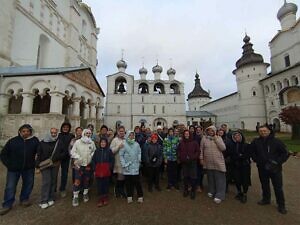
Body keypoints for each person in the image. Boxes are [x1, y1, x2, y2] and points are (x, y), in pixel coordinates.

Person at [0, 124, 39, 216]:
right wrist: (9, 164)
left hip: (28, 168)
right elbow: (3, 154)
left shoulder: (34, 141)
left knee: (28, 184)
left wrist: (36, 164)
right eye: (24, 131)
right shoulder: (13, 141)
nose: (26, 133)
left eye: (28, 131)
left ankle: (24, 199)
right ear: (20, 132)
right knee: (10, 187)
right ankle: (7, 204)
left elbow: (40, 152)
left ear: (30, 132)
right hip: (14, 169)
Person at [251, 125, 289, 214]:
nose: (263, 132)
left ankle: (281, 205)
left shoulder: (277, 141)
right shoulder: (256, 141)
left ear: (269, 131)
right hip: (262, 167)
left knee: (278, 187)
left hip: (275, 168)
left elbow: (285, 153)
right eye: (261, 131)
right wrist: (256, 159)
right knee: (264, 184)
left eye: (265, 131)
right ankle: (266, 199)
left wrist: (277, 162)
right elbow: (252, 152)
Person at [36, 128, 65, 209]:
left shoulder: (59, 142)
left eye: (55, 133)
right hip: (45, 165)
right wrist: (37, 166)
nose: (53, 134)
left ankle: (51, 197)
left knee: (53, 181)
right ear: (49, 133)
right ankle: (44, 200)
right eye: (52, 133)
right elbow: (39, 154)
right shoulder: (42, 142)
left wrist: (57, 158)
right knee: (46, 182)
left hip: (54, 164)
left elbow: (64, 152)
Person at [200, 125, 226, 204]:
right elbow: (201, 149)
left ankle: (219, 194)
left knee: (220, 179)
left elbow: (223, 148)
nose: (210, 132)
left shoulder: (218, 138)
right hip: (208, 161)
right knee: (210, 177)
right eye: (209, 130)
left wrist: (216, 139)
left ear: (214, 131)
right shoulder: (204, 139)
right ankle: (212, 190)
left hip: (218, 161)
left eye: (212, 131)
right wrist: (201, 159)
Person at [70, 129, 96, 207]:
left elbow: (94, 151)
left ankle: (85, 193)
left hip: (88, 165)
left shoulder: (92, 142)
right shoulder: (78, 142)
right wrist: (78, 157)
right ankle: (75, 196)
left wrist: (91, 156)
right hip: (79, 165)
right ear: (83, 133)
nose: (88, 134)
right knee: (77, 180)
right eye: (86, 133)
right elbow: (72, 152)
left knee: (86, 180)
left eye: (89, 133)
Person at [226, 131, 251, 203]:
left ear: (241, 136)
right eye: (235, 136)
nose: (237, 137)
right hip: (235, 165)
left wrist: (239, 156)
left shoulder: (246, 145)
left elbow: (247, 155)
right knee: (237, 179)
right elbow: (230, 154)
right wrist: (238, 156)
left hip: (244, 165)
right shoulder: (232, 145)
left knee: (245, 180)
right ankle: (239, 192)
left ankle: (245, 194)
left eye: (238, 136)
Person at [119, 131, 143, 203]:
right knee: (128, 182)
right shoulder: (123, 144)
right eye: (130, 135)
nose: (131, 136)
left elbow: (139, 152)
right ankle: (129, 196)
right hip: (127, 166)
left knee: (137, 182)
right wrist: (123, 164)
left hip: (135, 165)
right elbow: (121, 155)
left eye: (133, 135)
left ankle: (140, 196)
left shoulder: (136, 144)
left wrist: (139, 160)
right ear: (127, 136)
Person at [91, 137, 114, 207]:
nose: (103, 143)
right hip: (98, 170)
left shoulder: (109, 151)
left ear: (106, 143)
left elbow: (112, 160)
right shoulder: (97, 151)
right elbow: (93, 160)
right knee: (99, 185)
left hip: (106, 170)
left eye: (104, 142)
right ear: (100, 143)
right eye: (101, 142)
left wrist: (109, 167)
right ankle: (100, 198)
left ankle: (105, 197)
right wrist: (95, 168)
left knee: (105, 184)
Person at [178, 130, 200, 200]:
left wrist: (193, 157)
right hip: (184, 162)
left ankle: (193, 191)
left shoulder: (194, 142)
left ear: (189, 134)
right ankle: (186, 190)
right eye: (185, 134)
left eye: (187, 134)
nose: (186, 135)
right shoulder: (181, 142)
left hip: (192, 162)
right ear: (183, 135)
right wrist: (181, 157)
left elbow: (198, 151)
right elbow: (178, 150)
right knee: (185, 176)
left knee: (193, 177)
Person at [57, 122, 75, 198]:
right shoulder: (58, 135)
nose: (65, 128)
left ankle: (62, 188)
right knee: (54, 174)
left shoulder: (71, 136)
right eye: (64, 127)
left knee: (64, 174)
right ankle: (52, 189)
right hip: (57, 157)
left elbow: (73, 146)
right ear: (62, 128)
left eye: (67, 127)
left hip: (66, 157)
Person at [110, 126, 126, 198]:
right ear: (118, 132)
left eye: (123, 131)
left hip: (125, 162)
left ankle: (121, 190)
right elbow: (111, 151)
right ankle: (117, 190)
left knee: (123, 177)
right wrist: (118, 147)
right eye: (120, 131)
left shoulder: (126, 139)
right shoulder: (115, 140)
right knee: (120, 176)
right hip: (118, 161)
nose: (122, 132)